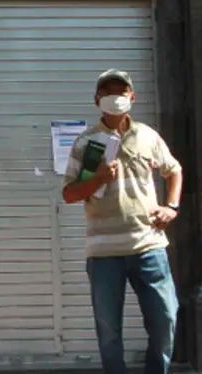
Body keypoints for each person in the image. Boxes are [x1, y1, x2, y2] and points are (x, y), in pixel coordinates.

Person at [62, 69, 183, 374]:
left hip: (149, 246)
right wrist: (99, 177)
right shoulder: (88, 143)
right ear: (97, 100)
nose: (115, 97)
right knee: (109, 331)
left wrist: (171, 206)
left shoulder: (147, 135)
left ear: (132, 97)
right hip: (104, 253)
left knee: (165, 318)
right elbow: (70, 193)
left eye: (121, 90)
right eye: (108, 91)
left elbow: (174, 170)